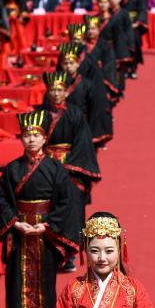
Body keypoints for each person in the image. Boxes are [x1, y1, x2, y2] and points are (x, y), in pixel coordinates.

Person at [0, 110, 80, 308]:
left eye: (36, 135)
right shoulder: (12, 169)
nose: (31, 139)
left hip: (45, 234)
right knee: (16, 282)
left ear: (45, 139)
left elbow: (65, 202)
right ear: (21, 139)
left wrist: (47, 225)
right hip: (20, 232)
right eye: (26, 135)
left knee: (45, 282)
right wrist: (15, 222)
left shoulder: (55, 169)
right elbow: (2, 199)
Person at [37, 71, 101, 235]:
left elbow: (83, 143)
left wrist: (68, 167)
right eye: (52, 90)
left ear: (66, 92)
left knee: (71, 205)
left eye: (60, 90)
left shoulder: (75, 114)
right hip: (44, 164)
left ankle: (70, 249)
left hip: (70, 166)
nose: (56, 93)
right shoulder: (39, 115)